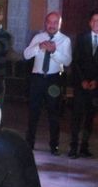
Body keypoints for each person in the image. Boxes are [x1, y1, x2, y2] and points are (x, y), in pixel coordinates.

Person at [24, 11, 72, 155]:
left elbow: (67, 61)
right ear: (45, 23)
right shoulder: (38, 37)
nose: (51, 25)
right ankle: (29, 143)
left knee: (54, 114)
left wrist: (54, 52)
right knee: (33, 112)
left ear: (59, 24)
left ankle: (54, 145)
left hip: (53, 80)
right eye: (49, 22)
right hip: (37, 79)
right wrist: (38, 47)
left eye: (55, 22)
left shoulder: (65, 40)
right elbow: (26, 55)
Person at [70, 10, 98, 158]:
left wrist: (97, 80)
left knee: (90, 117)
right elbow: (75, 61)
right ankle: (73, 147)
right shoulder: (82, 38)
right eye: (93, 20)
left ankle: (84, 146)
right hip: (81, 84)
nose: (96, 23)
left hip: (96, 86)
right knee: (76, 116)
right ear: (90, 23)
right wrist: (82, 80)